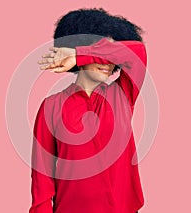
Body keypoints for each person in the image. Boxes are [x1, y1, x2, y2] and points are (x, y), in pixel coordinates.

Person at [29, 8, 147, 213]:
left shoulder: (122, 95)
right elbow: (42, 178)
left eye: (111, 54)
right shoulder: (51, 107)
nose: (108, 62)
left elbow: (137, 52)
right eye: (101, 50)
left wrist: (81, 55)